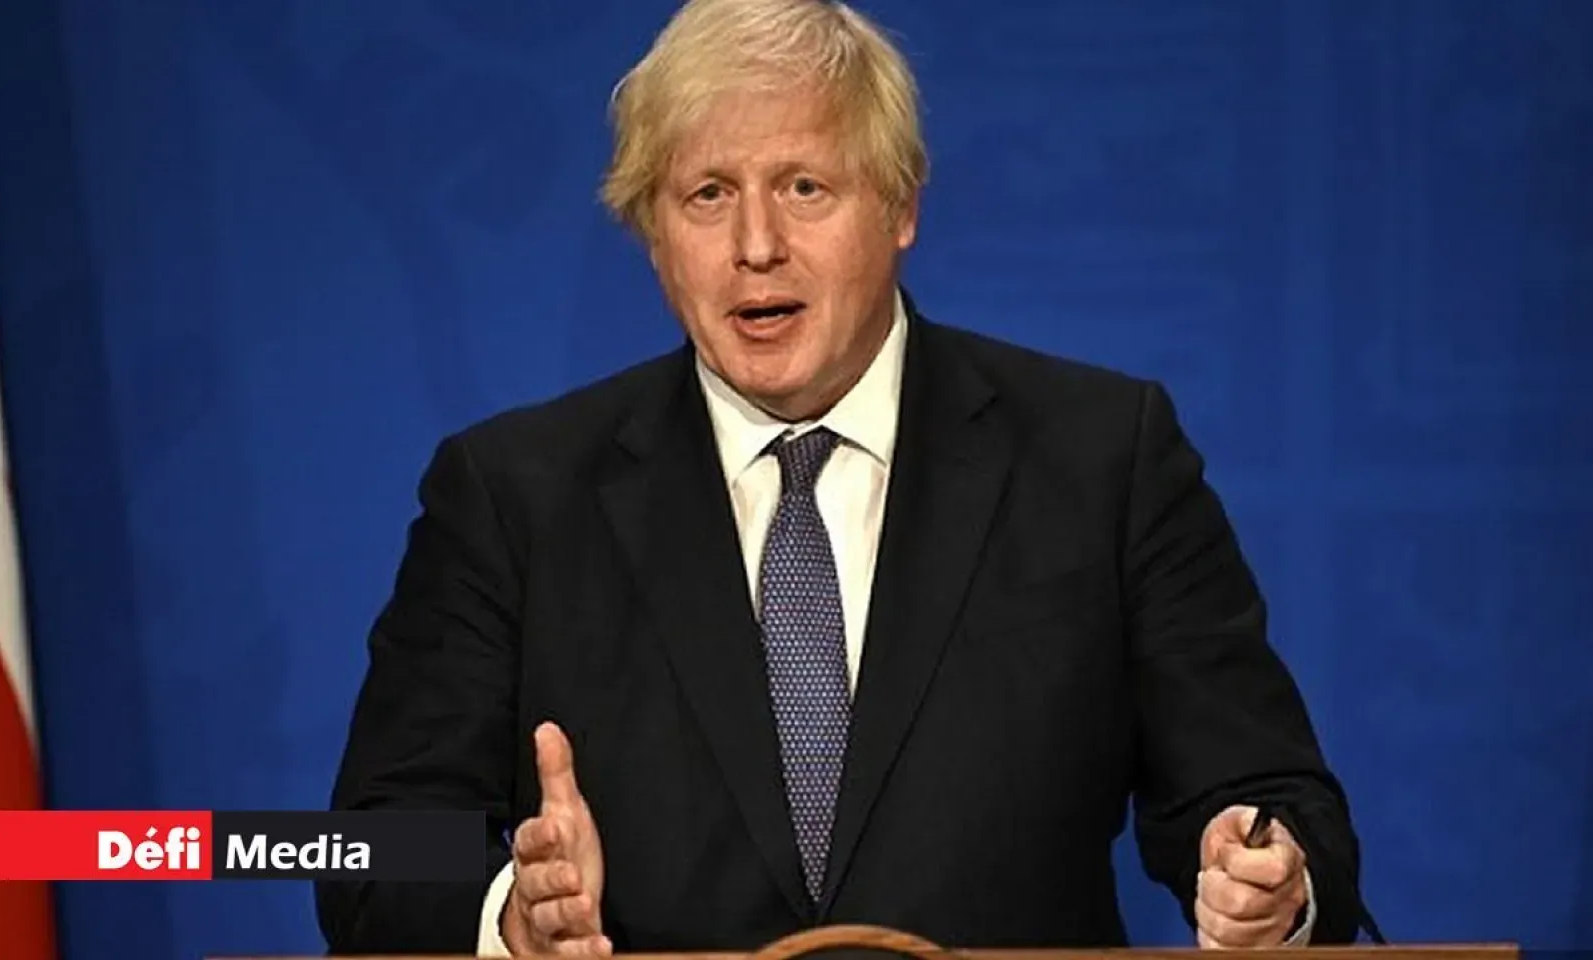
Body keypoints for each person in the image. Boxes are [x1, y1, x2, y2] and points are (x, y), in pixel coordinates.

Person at [314, 0, 1368, 955]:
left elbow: (1273, 800)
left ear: (899, 206)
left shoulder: (1100, 458)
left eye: (804, 187)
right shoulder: (512, 495)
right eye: (707, 194)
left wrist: (1270, 882)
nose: (756, 245)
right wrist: (512, 914)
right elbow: (366, 848)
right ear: (652, 235)